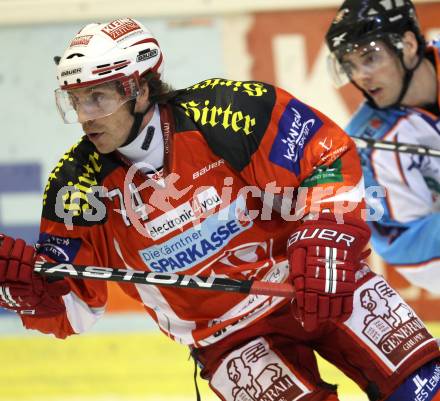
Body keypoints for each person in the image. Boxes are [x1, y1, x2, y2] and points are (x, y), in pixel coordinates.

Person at [0, 17, 439, 401]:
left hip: (317, 282)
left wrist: (327, 232)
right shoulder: (77, 187)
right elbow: (74, 310)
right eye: (75, 100)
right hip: (226, 339)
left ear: (137, 90)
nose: (84, 116)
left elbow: (325, 156)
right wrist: (28, 292)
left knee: (427, 386)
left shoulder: (228, 112)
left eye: (97, 98)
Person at [325, 0, 440, 295]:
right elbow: (410, 250)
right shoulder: (368, 146)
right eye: (350, 65)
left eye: (370, 57)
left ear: (409, 44)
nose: (361, 75)